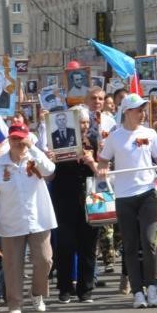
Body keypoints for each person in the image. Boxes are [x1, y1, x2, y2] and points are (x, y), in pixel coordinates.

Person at [98, 94, 157, 309]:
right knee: (130, 246)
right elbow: (104, 159)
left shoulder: (149, 133)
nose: (142, 113)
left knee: (149, 242)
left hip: (148, 193)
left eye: (143, 110)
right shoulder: (115, 137)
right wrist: (103, 168)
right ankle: (137, 291)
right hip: (123, 196)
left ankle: (151, 287)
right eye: (138, 110)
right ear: (127, 112)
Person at [0, 123, 57, 313]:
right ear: (9, 140)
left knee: (45, 259)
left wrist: (33, 148)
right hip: (11, 219)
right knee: (13, 264)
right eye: (14, 138)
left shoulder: (35, 157)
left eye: (21, 138)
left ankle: (37, 293)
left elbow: (49, 170)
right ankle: (15, 303)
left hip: (38, 218)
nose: (18, 142)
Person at [47, 107, 101, 303]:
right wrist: (50, 160)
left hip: (90, 196)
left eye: (86, 122)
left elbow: (102, 172)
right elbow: (50, 175)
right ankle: (64, 287)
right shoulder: (58, 142)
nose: (84, 126)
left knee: (88, 244)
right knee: (65, 244)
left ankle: (86, 289)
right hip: (64, 197)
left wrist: (91, 162)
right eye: (79, 122)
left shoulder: (94, 142)